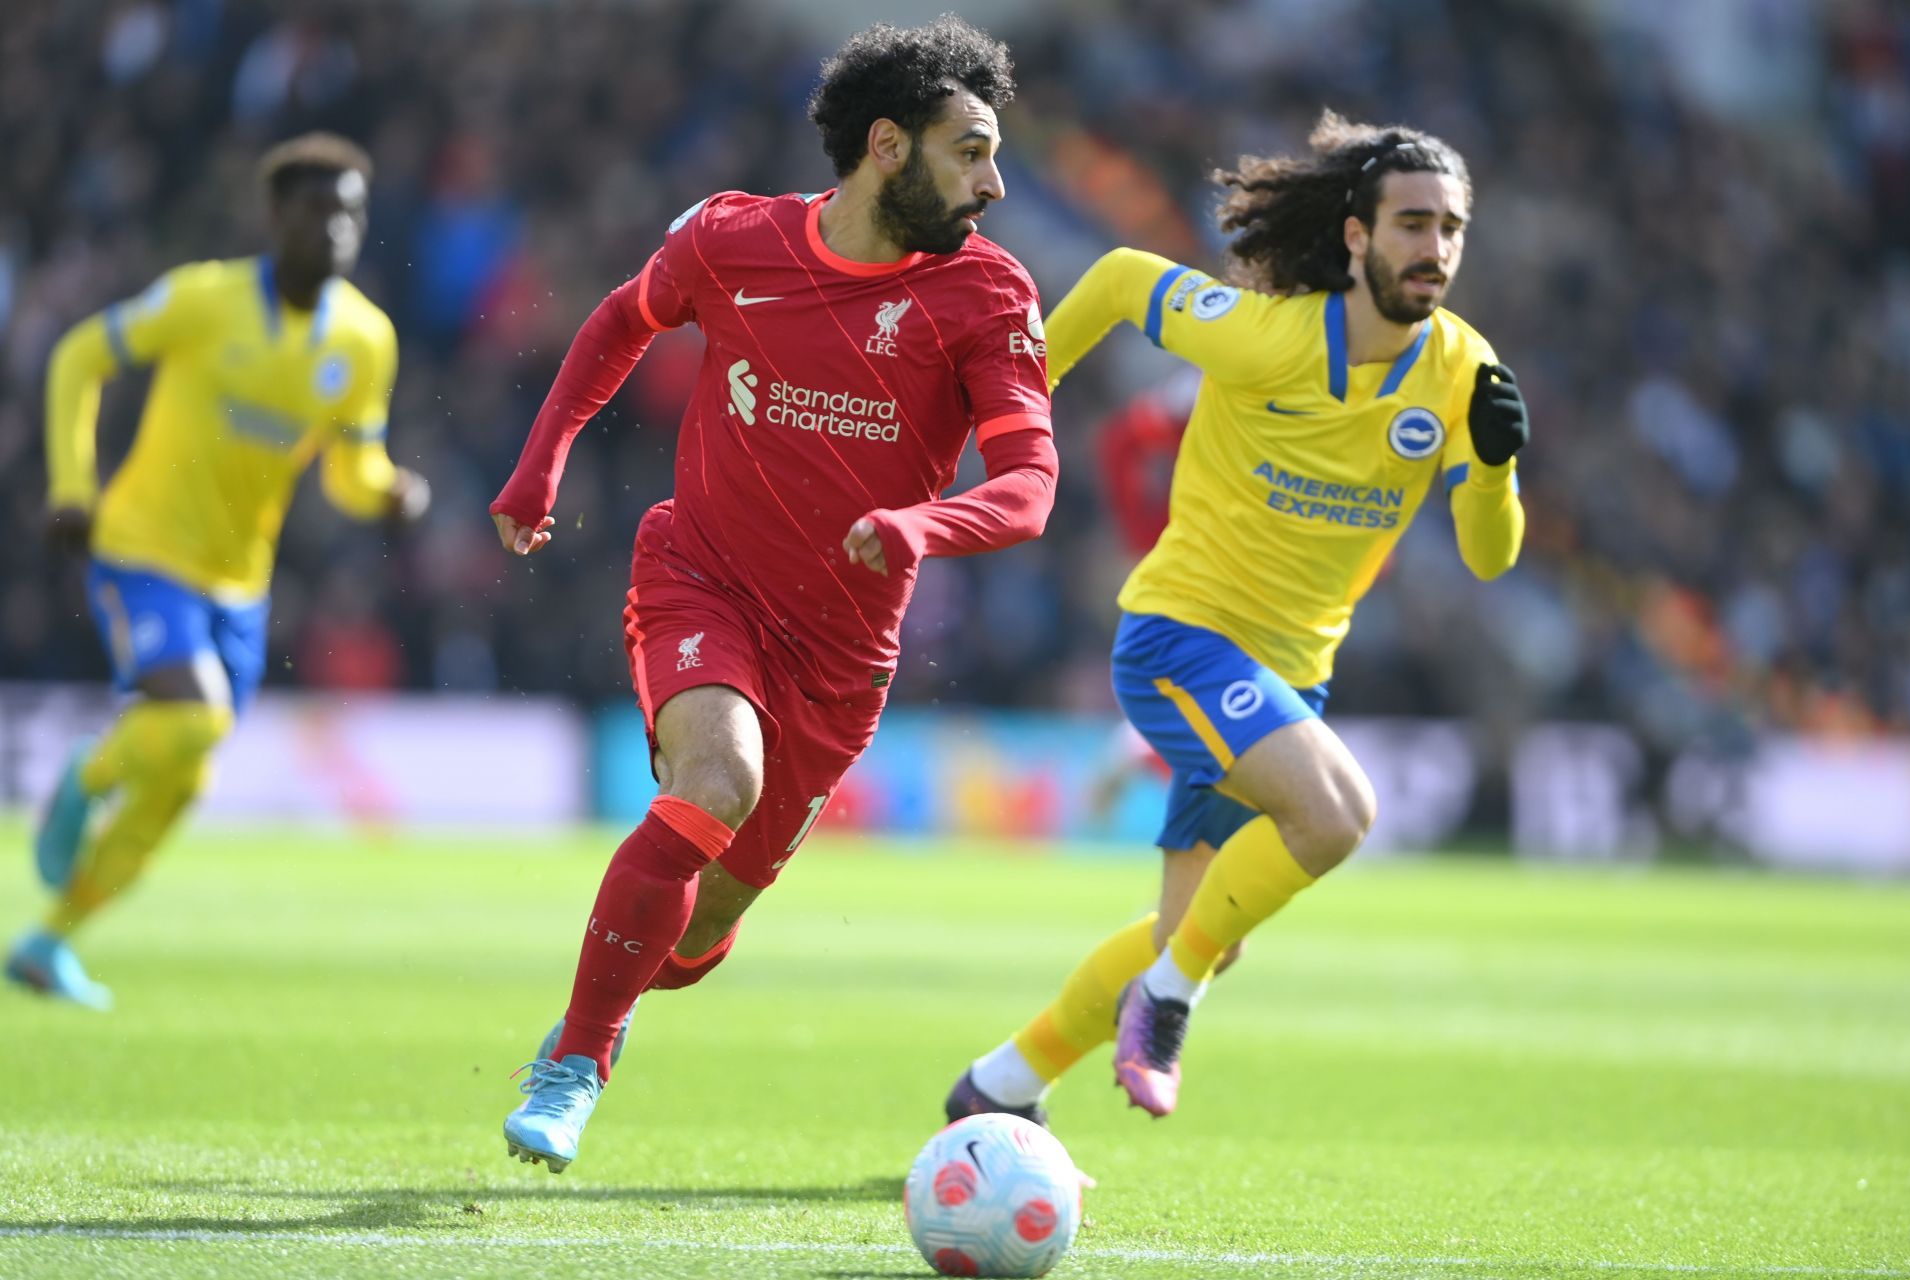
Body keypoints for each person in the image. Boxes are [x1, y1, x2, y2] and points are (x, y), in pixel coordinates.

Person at [488, 16, 1056, 1173]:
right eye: (972, 151)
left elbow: (1031, 486)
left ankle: (616, 995)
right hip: (701, 575)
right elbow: (622, 318)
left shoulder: (987, 294)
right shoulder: (732, 238)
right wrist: (541, 459)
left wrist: (920, 521)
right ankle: (576, 1063)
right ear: (887, 146)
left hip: (841, 663)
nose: (995, 184)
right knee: (717, 778)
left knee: (693, 933)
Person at [946, 111, 1530, 1123]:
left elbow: (1489, 556)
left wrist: (1497, 470)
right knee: (1337, 812)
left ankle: (1000, 1083)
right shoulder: (1269, 336)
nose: (1433, 248)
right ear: (1356, 234)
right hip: (1183, 636)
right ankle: (1164, 1005)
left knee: (1206, 926)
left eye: (1450, 228)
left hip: (1290, 674)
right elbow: (1127, 277)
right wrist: (1015, 405)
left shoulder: (1464, 373)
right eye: (1410, 224)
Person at [7, 133, 429, 1010]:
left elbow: (349, 472)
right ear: (276, 217)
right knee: (192, 721)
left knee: (182, 779)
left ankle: (50, 943)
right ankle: (85, 778)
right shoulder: (206, 300)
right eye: (318, 210)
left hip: (240, 583)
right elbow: (81, 353)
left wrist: (388, 493)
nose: (337, 229)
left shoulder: (365, 340)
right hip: (142, 547)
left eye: (352, 212)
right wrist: (73, 486)